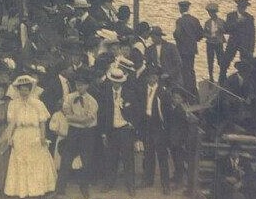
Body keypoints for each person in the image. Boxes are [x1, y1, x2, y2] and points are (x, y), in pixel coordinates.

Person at [3, 75, 56, 198]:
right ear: (18, 90)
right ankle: (21, 189)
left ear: (30, 89)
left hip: (34, 134)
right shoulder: (13, 104)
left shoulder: (38, 103)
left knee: (35, 162)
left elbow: (43, 121)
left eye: (26, 89)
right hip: (20, 134)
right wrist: (10, 137)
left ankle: (36, 189)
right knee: (20, 161)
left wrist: (42, 136)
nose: (23, 92)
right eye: (21, 89)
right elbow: (11, 123)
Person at [98, 67, 140, 195]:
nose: (116, 84)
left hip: (125, 130)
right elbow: (102, 114)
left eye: (118, 82)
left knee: (128, 159)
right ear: (111, 81)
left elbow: (137, 112)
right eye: (114, 82)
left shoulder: (129, 93)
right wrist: (103, 133)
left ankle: (130, 186)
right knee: (111, 158)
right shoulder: (105, 94)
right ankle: (109, 183)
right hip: (111, 130)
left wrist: (132, 124)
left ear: (122, 82)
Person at [56, 72, 98, 197]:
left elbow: (88, 120)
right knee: (66, 158)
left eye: (82, 85)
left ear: (87, 86)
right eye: (77, 85)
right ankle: (60, 187)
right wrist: (79, 118)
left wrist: (75, 118)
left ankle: (84, 187)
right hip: (73, 131)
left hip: (87, 132)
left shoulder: (92, 101)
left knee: (86, 160)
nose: (79, 87)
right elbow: (66, 115)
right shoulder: (69, 97)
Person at [141, 68, 172, 193]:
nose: (151, 79)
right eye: (149, 76)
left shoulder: (163, 93)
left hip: (159, 126)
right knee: (148, 154)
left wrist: (166, 130)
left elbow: (168, 114)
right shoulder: (143, 90)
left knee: (162, 156)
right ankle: (148, 180)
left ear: (157, 78)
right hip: (147, 125)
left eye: (153, 76)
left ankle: (166, 184)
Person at [173, 0, 203, 101]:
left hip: (182, 49)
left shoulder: (180, 21)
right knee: (191, 70)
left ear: (181, 9)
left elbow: (177, 34)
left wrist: (180, 40)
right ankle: (194, 91)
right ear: (188, 8)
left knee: (184, 71)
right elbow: (200, 34)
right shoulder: (195, 20)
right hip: (192, 50)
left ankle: (186, 93)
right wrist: (193, 40)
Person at [221, 0, 256, 82]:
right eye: (241, 6)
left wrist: (251, 49)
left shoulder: (249, 18)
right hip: (233, 42)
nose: (243, 8)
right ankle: (222, 80)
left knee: (245, 63)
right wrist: (237, 22)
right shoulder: (231, 16)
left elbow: (252, 34)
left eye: (244, 7)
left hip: (245, 44)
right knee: (225, 61)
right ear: (238, 7)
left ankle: (245, 81)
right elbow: (226, 30)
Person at [203, 2, 226, 82]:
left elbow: (225, 31)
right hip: (210, 43)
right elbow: (204, 33)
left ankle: (222, 77)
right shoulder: (207, 23)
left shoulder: (221, 22)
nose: (210, 14)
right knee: (210, 61)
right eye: (209, 12)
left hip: (219, 43)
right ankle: (211, 77)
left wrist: (221, 30)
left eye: (212, 12)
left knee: (221, 61)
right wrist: (208, 36)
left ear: (215, 12)